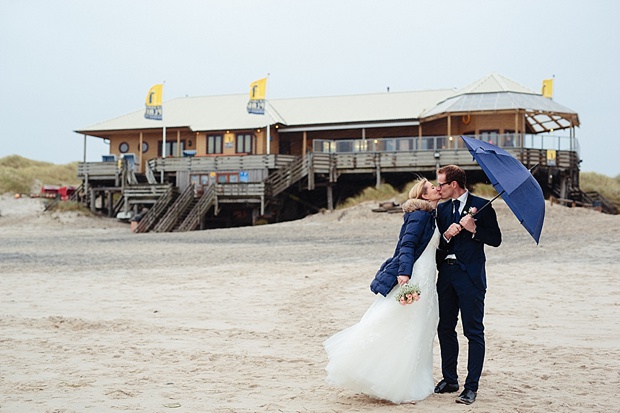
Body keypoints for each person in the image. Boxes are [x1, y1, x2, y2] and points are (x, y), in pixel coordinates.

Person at [323, 178, 442, 404]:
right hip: (416, 274)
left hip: (428, 275)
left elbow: (429, 245)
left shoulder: (432, 216)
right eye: (433, 187)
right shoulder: (420, 215)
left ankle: (413, 378)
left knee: (420, 327)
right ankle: (384, 376)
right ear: (425, 196)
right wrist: (405, 273)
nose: (438, 188)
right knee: (402, 323)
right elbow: (406, 245)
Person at [433, 165, 502, 405]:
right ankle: (450, 379)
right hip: (446, 277)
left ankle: (471, 387)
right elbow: (436, 247)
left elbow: (496, 240)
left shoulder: (482, 205)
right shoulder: (440, 210)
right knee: (445, 328)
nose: (438, 188)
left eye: (441, 184)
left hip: (471, 278)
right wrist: (446, 236)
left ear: (454, 184)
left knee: (473, 332)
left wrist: (475, 230)